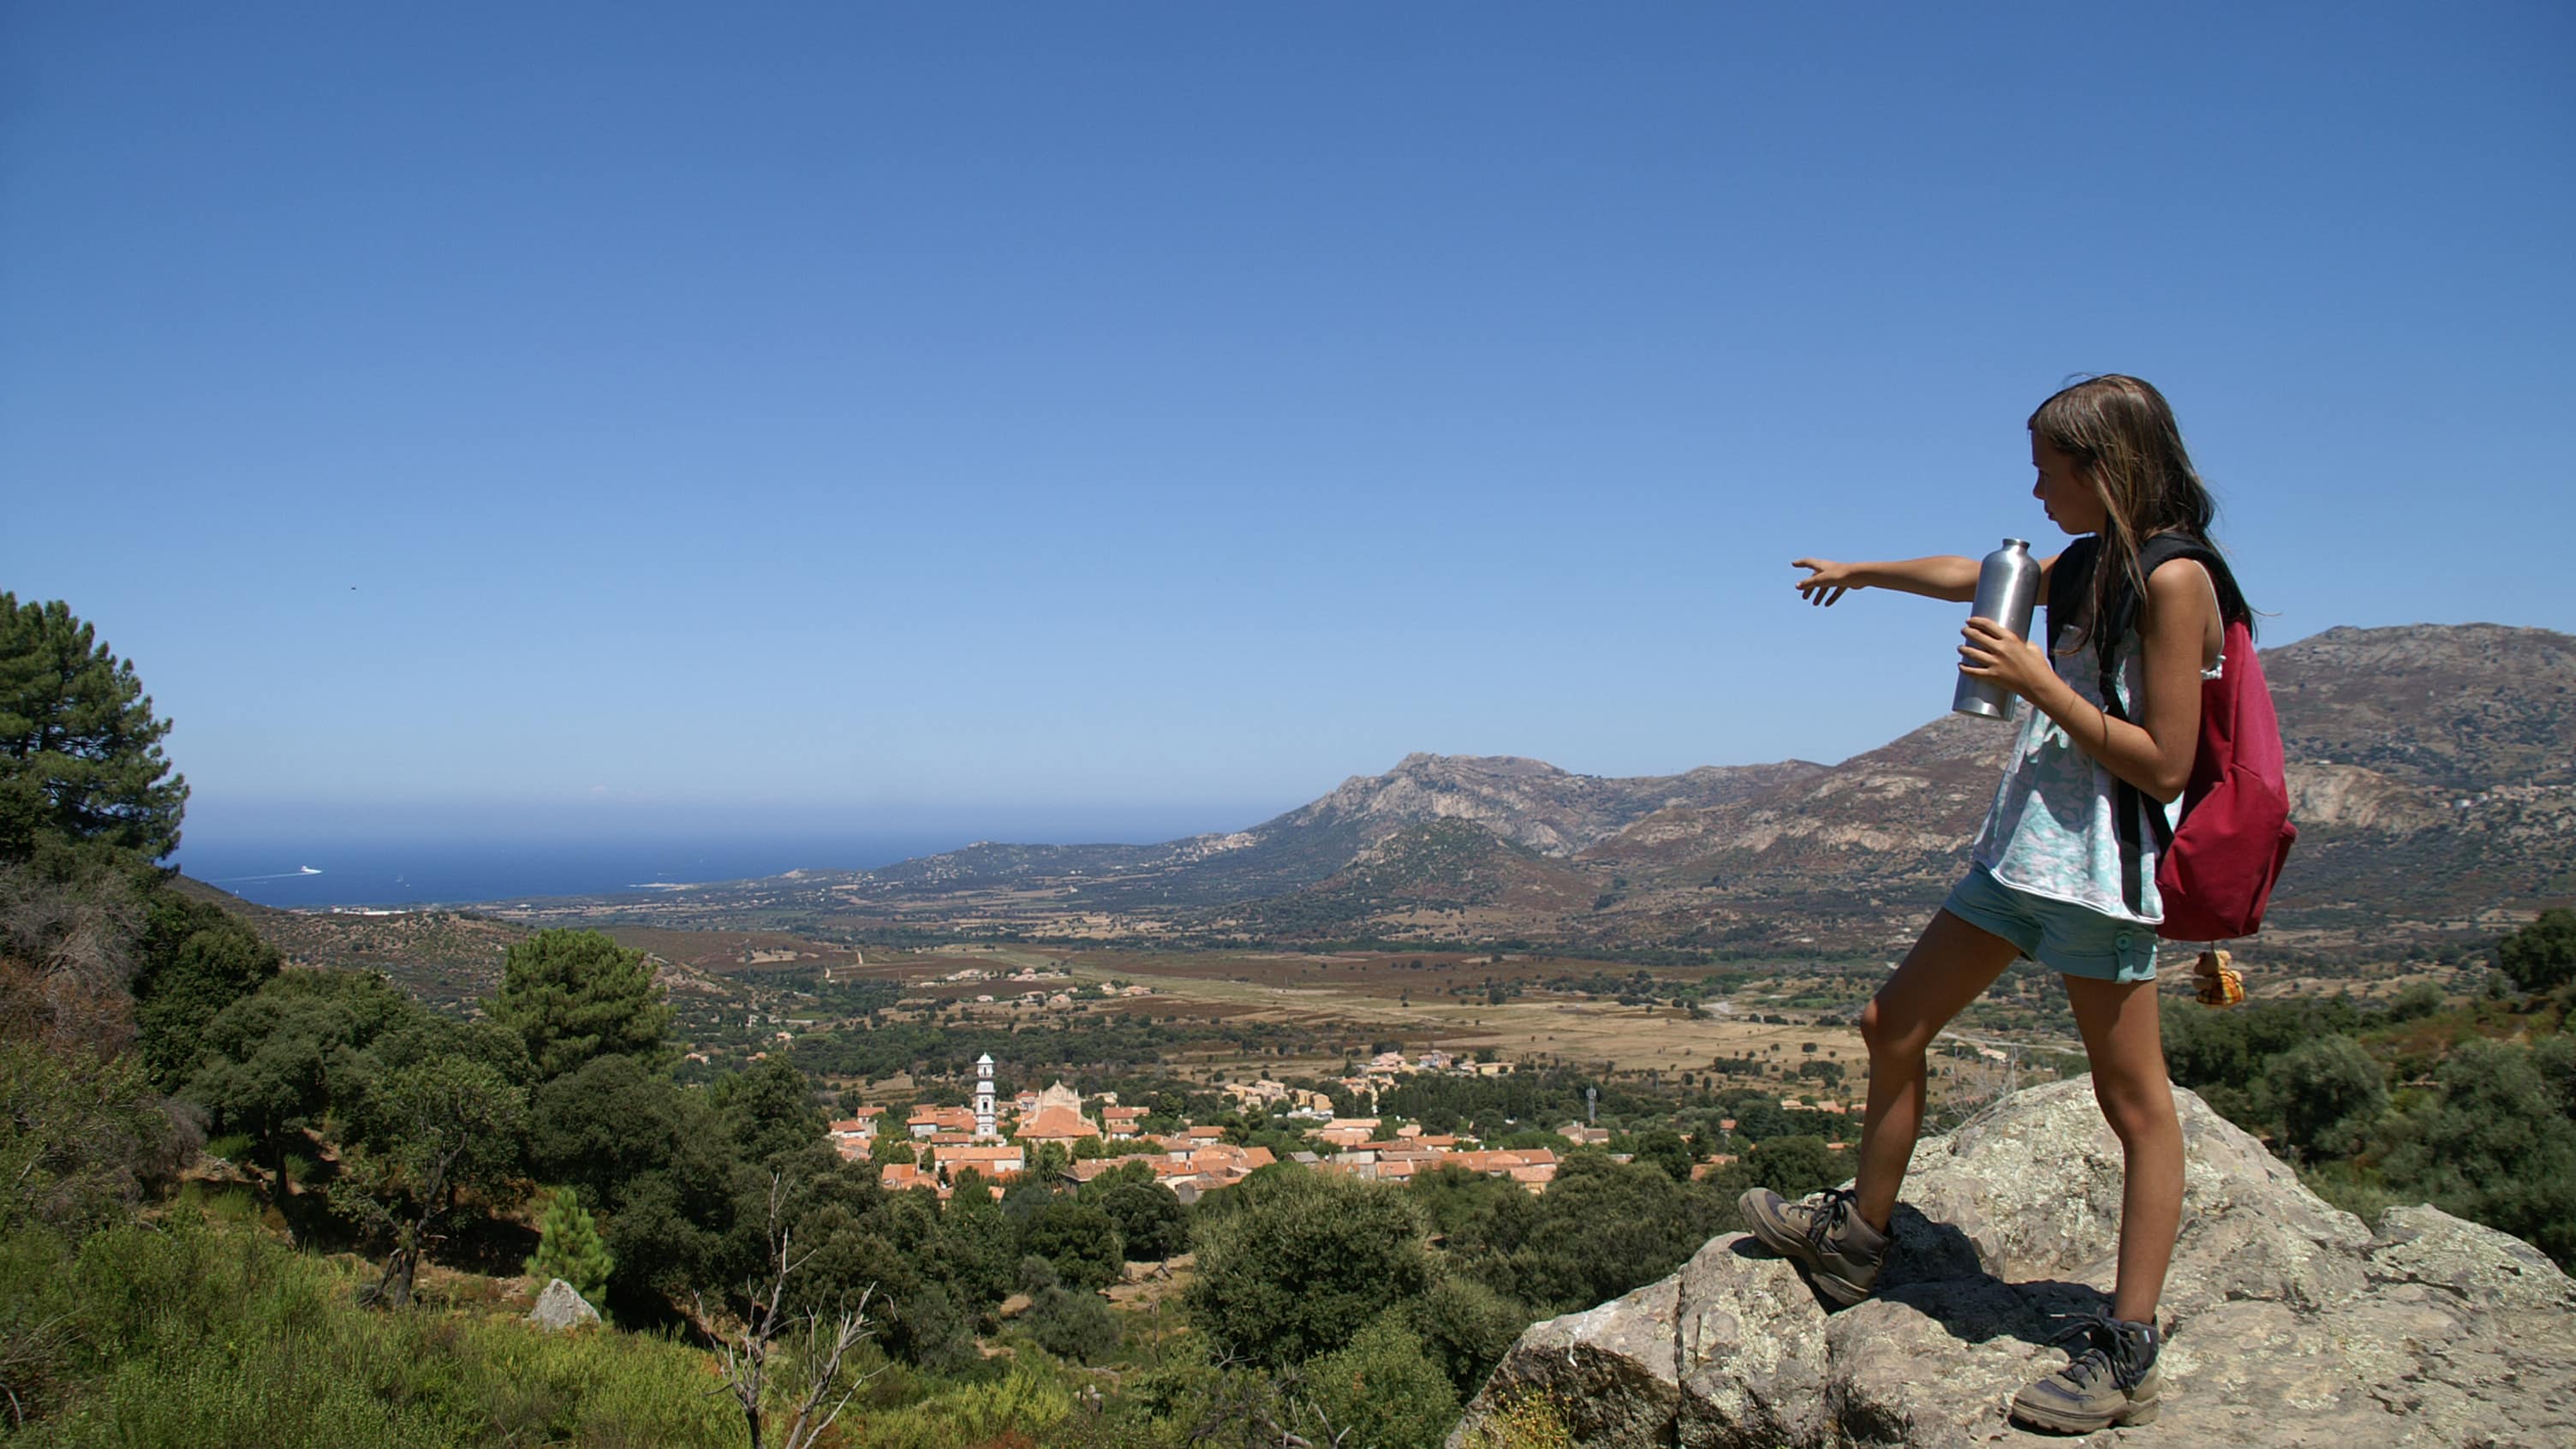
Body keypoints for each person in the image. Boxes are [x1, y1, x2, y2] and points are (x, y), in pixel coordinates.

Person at [1745, 374, 2251, 1435]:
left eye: (2047, 468)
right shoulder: (2090, 565)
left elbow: (2163, 764)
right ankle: (1856, 1243)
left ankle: (2126, 1342)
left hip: (2099, 879)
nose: (2032, 487)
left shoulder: (2173, 582)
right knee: (1891, 1024)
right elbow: (1976, 573)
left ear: (2102, 468)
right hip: (2018, 861)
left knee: (2135, 1106)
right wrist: (1863, 571)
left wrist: (2036, 683)